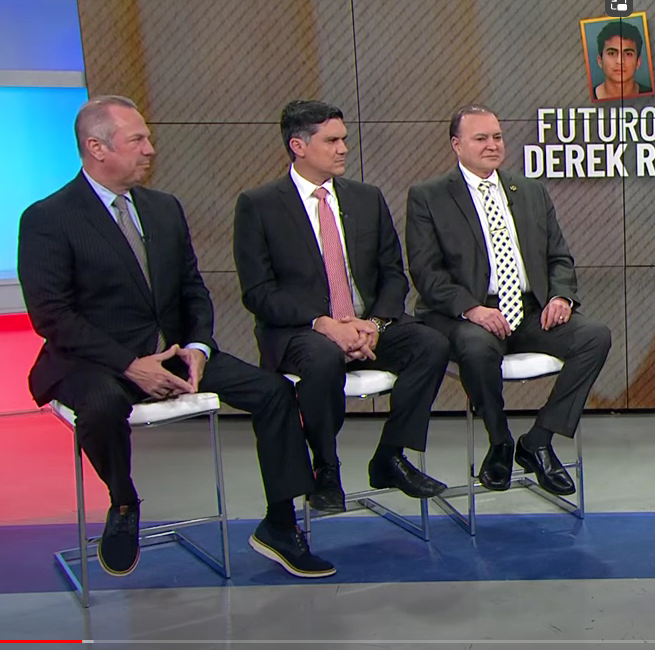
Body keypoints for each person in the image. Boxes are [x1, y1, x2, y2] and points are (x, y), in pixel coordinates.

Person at [18, 95, 336, 579]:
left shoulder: (164, 208)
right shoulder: (48, 217)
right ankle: (123, 503)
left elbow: (193, 289)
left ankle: (279, 522)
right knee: (102, 406)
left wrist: (199, 346)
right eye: (138, 139)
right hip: (92, 359)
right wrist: (129, 364)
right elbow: (53, 316)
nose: (151, 148)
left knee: (273, 392)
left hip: (173, 352)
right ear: (96, 148)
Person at [233, 100, 450, 511]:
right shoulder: (259, 205)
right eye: (331, 140)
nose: (343, 149)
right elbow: (258, 292)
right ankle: (325, 468)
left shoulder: (366, 198)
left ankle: (391, 455)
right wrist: (323, 323)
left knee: (431, 344)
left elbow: (392, 273)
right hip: (302, 332)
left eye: (344, 139)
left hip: (366, 325)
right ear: (298, 145)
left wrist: (373, 324)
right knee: (322, 358)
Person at [405, 104, 611, 496]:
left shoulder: (530, 191)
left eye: (497, 137)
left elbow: (559, 257)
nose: (492, 145)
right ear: (456, 144)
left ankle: (537, 440)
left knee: (594, 336)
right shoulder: (429, 197)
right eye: (480, 138)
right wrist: (473, 309)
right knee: (475, 346)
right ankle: (499, 441)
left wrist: (562, 296)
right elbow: (426, 272)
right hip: (468, 313)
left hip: (530, 310)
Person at [592, 20, 653, 101]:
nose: (620, 61)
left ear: (638, 62)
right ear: (600, 61)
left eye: (628, 54)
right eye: (611, 53)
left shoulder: (653, 97)